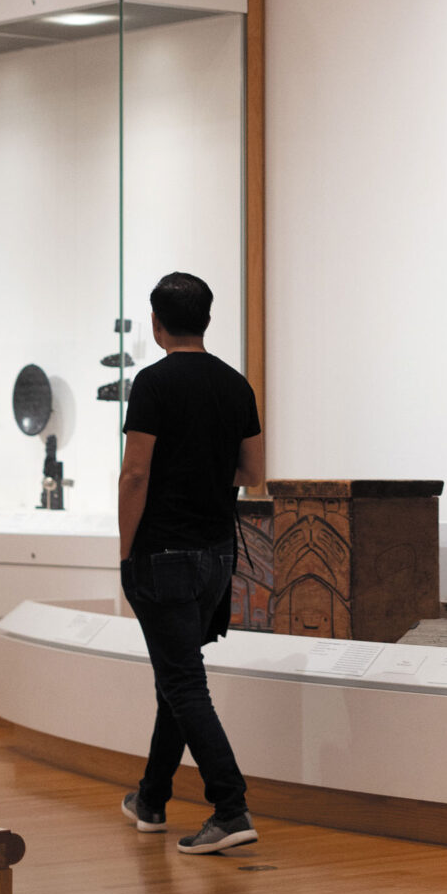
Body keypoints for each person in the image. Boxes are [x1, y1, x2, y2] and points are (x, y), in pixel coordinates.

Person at [116, 271, 265, 855]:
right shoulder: (235, 385)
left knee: (183, 683)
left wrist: (126, 550)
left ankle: (230, 806)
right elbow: (253, 474)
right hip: (216, 555)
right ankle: (151, 797)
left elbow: (135, 473)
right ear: (207, 318)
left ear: (156, 324)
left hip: (164, 553)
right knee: (175, 680)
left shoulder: (152, 383)